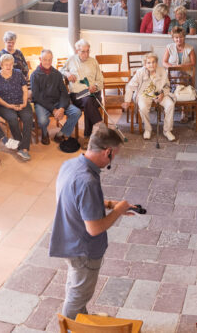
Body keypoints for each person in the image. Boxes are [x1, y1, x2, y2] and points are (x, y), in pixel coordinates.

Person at [49, 125, 135, 319]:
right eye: (115, 155)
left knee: (75, 286)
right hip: (84, 249)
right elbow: (94, 228)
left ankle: (82, 318)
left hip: (68, 238)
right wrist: (119, 211)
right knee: (78, 295)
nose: (114, 159)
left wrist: (109, 204)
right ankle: (72, 326)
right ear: (108, 152)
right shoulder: (88, 181)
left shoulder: (70, 165)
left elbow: (73, 199)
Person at [30, 49, 82, 146]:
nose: (47, 62)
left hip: (57, 102)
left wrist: (62, 108)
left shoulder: (57, 74)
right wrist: (53, 110)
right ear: (40, 59)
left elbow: (64, 93)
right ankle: (45, 134)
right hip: (42, 104)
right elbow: (37, 97)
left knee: (76, 112)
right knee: (42, 120)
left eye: (50, 59)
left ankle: (61, 133)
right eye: (45, 59)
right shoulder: (34, 75)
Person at [124, 53, 176, 141]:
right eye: (148, 63)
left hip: (159, 93)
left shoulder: (162, 71)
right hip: (144, 94)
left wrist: (162, 94)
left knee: (170, 105)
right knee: (143, 107)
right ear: (145, 64)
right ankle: (148, 129)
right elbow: (130, 86)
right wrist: (127, 100)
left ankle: (167, 131)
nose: (151, 65)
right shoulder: (140, 72)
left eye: (153, 62)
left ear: (156, 63)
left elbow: (167, 85)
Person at [0, 54, 33, 158]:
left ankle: (24, 148)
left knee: (28, 118)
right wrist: (9, 106)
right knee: (13, 119)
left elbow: (24, 89)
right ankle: (21, 146)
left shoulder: (18, 73)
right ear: (1, 65)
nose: (9, 67)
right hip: (4, 104)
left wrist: (24, 103)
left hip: (20, 101)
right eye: (6, 64)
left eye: (10, 64)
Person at [62, 40, 105, 140]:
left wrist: (95, 86)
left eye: (88, 51)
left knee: (88, 101)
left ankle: (89, 135)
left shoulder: (93, 61)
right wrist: (67, 74)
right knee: (88, 101)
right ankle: (99, 127)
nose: (86, 54)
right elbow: (61, 70)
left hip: (93, 93)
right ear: (77, 51)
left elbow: (100, 80)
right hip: (76, 95)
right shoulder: (71, 60)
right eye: (83, 51)